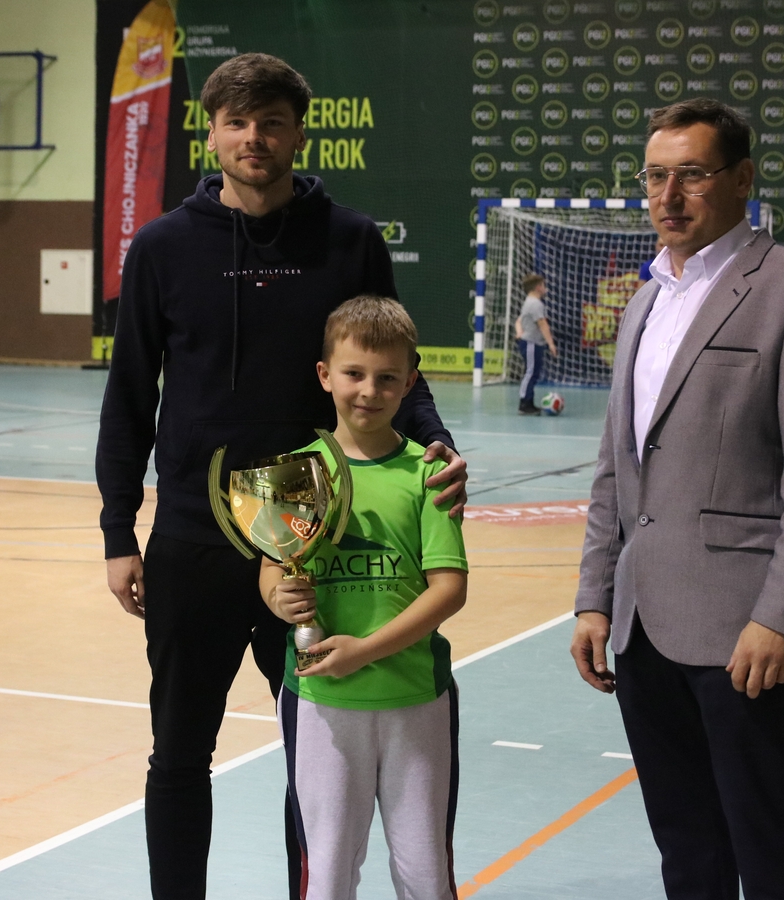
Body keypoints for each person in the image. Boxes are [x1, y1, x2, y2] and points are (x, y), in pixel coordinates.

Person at [95, 53, 467, 900]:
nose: (254, 138)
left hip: (314, 542)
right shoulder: (161, 248)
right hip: (193, 538)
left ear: (300, 133)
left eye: (271, 122)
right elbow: (129, 397)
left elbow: (394, 365)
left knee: (317, 758)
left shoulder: (350, 240)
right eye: (237, 122)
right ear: (212, 134)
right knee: (178, 754)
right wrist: (119, 532)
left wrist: (436, 441)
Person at [569, 98, 784, 899]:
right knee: (685, 847)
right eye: (655, 177)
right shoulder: (645, 300)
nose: (668, 196)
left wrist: (782, 618)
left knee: (764, 843)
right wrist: (594, 597)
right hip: (641, 628)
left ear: (742, 179)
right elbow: (616, 467)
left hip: (743, 631)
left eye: (691, 175)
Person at [262, 295, 467, 900]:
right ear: (325, 375)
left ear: (410, 381)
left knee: (425, 874)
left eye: (386, 378)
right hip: (321, 701)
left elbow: (449, 589)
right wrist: (278, 598)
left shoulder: (429, 473)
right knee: (325, 874)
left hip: (415, 697)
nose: (369, 391)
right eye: (353, 374)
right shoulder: (296, 474)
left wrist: (365, 651)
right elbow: (273, 570)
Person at [514, 273, 558, 415]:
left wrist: (519, 331)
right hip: (531, 343)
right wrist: (551, 344)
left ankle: (529, 402)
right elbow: (543, 324)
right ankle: (524, 403)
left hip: (533, 343)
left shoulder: (530, 302)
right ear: (538, 287)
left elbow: (519, 320)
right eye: (543, 285)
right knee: (530, 372)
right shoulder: (535, 304)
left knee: (533, 372)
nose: (545, 288)